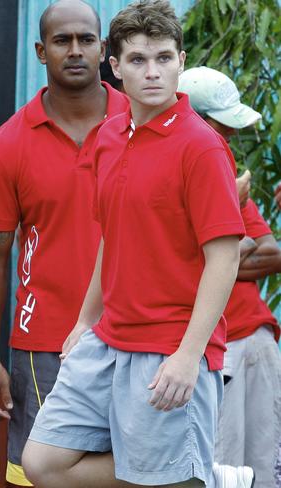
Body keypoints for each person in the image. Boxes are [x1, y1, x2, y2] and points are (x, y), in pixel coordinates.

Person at [22, 1, 252, 486]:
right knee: (43, 464)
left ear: (181, 63)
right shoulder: (109, 137)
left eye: (164, 59)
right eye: (139, 60)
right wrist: (86, 320)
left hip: (170, 345)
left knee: (165, 478)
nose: (153, 72)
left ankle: (197, 474)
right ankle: (203, 474)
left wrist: (189, 355)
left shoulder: (202, 147)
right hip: (108, 340)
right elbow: (113, 234)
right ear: (116, 67)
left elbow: (224, 257)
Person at [0, 1, 129, 485]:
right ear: (41, 51)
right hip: (44, 346)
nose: (75, 51)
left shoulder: (143, 124)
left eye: (86, 39)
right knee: (36, 476)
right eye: (62, 41)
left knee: (141, 466)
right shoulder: (9, 143)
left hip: (139, 337)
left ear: (103, 49)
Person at [180, 66, 281, 488]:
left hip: (253, 336)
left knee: (262, 468)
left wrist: (218, 261)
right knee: (216, 468)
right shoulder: (170, 168)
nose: (232, 138)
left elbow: (273, 252)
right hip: (207, 352)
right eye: (225, 126)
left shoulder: (225, 169)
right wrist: (227, 253)